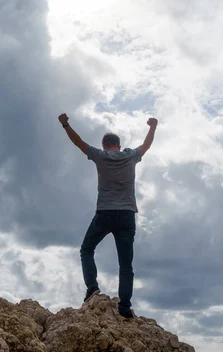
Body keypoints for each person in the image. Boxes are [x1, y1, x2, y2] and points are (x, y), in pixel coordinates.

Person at [58, 113, 158, 318]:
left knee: (87, 249)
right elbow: (146, 145)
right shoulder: (131, 156)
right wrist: (152, 127)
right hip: (127, 215)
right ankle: (124, 307)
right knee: (126, 264)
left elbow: (78, 142)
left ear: (104, 145)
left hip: (105, 213)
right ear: (119, 146)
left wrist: (66, 124)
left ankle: (92, 288)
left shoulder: (100, 156)